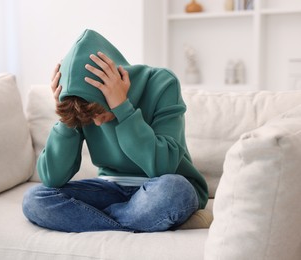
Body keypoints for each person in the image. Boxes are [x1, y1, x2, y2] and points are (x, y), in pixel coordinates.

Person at [22, 29, 208, 232]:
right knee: (35, 200)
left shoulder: (162, 82)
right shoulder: (82, 105)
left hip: (161, 186)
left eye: (100, 113)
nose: (98, 123)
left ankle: (98, 220)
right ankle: (145, 221)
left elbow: (162, 167)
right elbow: (53, 178)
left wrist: (122, 107)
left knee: (175, 191)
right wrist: (68, 118)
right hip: (110, 188)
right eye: (90, 119)